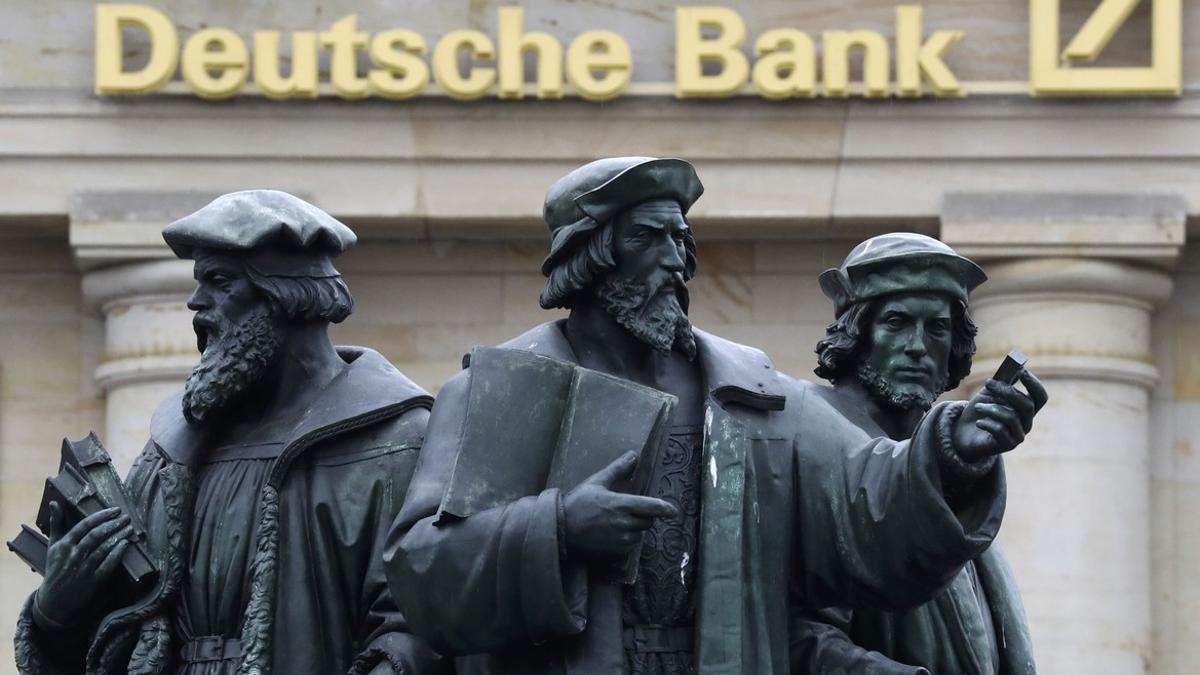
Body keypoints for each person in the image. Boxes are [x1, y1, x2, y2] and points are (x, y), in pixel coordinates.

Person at [383, 157, 1047, 674]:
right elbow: (422, 574)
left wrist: (950, 449)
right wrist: (559, 529)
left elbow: (866, 505)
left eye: (682, 239)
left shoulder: (749, 394)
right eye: (650, 238)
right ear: (591, 253)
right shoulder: (502, 389)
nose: (677, 262)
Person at [14, 190, 445, 675]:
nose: (197, 304)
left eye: (219, 282)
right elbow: (118, 637)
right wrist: (57, 612)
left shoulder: (396, 442)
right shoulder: (170, 454)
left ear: (285, 294)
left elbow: (420, 632)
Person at [790, 233, 1037, 675]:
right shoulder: (805, 440)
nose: (918, 346)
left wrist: (959, 464)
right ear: (857, 333)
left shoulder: (946, 466)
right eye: (897, 322)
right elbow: (783, 626)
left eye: (937, 328)